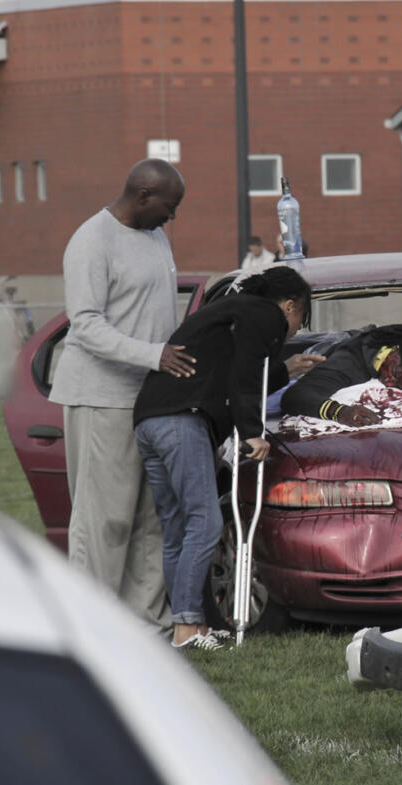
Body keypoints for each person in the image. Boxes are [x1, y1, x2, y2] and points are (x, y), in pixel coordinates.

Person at [133, 266, 318, 649]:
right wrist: (252, 433)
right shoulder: (263, 313)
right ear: (288, 306)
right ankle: (186, 627)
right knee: (205, 521)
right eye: (302, 317)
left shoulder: (233, 311)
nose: (297, 329)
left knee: (177, 528)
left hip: (151, 419)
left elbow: (230, 372)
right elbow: (246, 375)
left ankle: (187, 625)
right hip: (183, 421)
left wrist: (286, 369)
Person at [49, 158, 195, 635]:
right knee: (103, 520)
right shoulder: (92, 240)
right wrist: (156, 355)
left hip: (148, 400)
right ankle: (91, 628)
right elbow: (86, 325)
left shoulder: (154, 237)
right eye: (168, 207)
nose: (171, 218)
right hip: (100, 396)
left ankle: (147, 628)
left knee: (150, 516)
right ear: (143, 196)